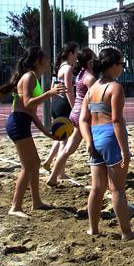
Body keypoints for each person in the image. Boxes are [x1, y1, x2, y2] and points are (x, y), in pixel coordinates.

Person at [0, 46, 66, 218]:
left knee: (36, 162)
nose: (48, 59)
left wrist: (47, 133)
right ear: (37, 61)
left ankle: (37, 202)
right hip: (17, 123)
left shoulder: (34, 77)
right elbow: (27, 103)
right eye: (45, 56)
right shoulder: (29, 76)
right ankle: (15, 207)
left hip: (22, 121)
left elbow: (31, 112)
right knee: (28, 165)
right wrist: (50, 93)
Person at [79, 48, 134, 240]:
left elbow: (83, 120)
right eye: (122, 64)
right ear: (113, 66)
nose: (122, 67)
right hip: (109, 137)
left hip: (94, 137)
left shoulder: (91, 90)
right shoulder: (115, 88)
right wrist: (125, 150)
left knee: (97, 188)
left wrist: (88, 141)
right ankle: (126, 233)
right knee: (117, 189)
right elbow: (116, 121)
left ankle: (93, 229)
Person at [46, 47, 96, 186]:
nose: (97, 61)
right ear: (89, 61)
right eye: (94, 58)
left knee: (68, 148)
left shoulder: (80, 74)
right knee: (92, 145)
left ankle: (53, 176)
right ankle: (98, 177)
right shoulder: (89, 77)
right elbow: (94, 98)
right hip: (83, 113)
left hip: (76, 112)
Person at [43, 42, 79, 172]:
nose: (78, 55)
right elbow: (69, 90)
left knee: (60, 135)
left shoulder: (59, 67)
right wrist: (74, 107)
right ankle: (60, 171)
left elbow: (54, 87)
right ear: (71, 53)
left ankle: (48, 161)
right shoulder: (68, 68)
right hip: (64, 104)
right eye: (77, 52)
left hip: (56, 103)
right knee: (64, 139)